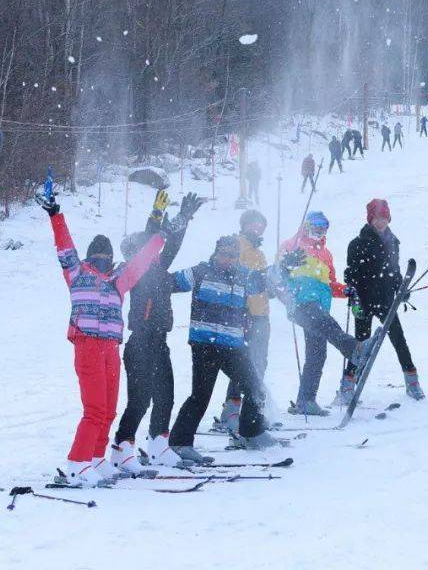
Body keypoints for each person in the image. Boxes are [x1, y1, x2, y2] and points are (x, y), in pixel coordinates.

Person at [38, 188, 166, 487]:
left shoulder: (117, 281)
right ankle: (77, 463)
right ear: (89, 255)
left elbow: (141, 261)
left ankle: (96, 459)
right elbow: (65, 247)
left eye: (107, 255)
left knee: (108, 409)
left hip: (111, 347)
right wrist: (56, 215)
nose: (103, 259)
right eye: (98, 254)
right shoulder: (77, 273)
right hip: (87, 345)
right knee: (94, 408)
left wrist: (158, 234)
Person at [111, 191, 204, 473]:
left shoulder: (158, 269)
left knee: (166, 395)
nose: (153, 253)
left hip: (158, 340)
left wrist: (185, 218)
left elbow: (170, 245)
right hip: (139, 342)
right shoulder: (130, 271)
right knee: (140, 399)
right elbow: (155, 242)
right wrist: (156, 215)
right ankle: (122, 446)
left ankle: (158, 445)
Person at [167, 235, 277, 464]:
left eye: (232, 255)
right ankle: (180, 442)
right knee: (201, 395)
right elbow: (169, 282)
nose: (227, 259)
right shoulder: (201, 271)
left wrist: (285, 265)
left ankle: (250, 433)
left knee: (255, 388)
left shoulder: (244, 275)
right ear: (216, 253)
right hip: (205, 344)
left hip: (233, 347)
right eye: (223, 254)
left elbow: (266, 279)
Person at [275, 212, 372, 415]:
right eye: (317, 225)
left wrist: (345, 290)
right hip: (301, 303)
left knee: (317, 354)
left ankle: (306, 400)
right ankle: (355, 349)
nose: (320, 229)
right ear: (307, 225)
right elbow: (277, 273)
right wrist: (286, 295)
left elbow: (329, 285)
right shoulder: (292, 245)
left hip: (319, 307)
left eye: (324, 226)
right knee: (329, 327)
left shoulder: (326, 255)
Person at [336, 199, 423, 405]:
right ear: (370, 219)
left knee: (398, 339)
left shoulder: (393, 242)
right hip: (364, 300)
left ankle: (412, 382)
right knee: (361, 344)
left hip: (386, 301)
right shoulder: (357, 243)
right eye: (377, 218)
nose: (381, 221)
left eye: (384, 218)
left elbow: (394, 272)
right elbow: (352, 273)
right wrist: (353, 293)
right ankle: (348, 386)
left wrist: (401, 289)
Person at [215, 209, 273, 433]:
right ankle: (231, 409)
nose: (258, 228)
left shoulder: (259, 252)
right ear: (245, 225)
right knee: (243, 364)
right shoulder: (238, 246)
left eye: (261, 225)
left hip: (261, 314)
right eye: (254, 224)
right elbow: (234, 276)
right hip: (245, 313)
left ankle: (253, 413)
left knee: (259, 363)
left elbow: (262, 282)